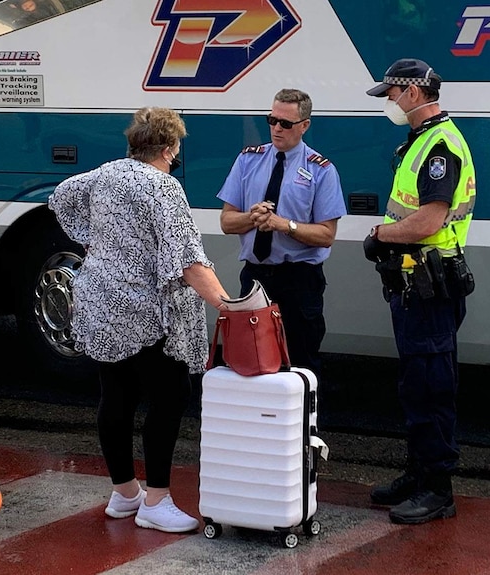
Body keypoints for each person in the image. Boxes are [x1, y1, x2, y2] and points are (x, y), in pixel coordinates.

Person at [48, 107, 230, 534]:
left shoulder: (106, 173)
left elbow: (61, 195)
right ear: (169, 148)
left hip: (100, 302)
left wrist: (97, 238)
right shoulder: (163, 187)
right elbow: (188, 262)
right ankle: (157, 500)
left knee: (116, 394)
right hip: (143, 311)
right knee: (170, 395)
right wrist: (229, 304)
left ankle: (124, 493)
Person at [363, 58, 477, 525]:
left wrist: (380, 235)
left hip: (431, 283)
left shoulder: (438, 146)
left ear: (412, 93)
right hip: (416, 283)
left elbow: (430, 219)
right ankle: (419, 472)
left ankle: (437, 489)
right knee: (416, 383)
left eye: (390, 94)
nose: (388, 102)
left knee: (431, 385)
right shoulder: (421, 141)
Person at [217, 88, 346, 378]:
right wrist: (253, 217)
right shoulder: (249, 161)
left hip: (299, 280)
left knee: (299, 363)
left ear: (304, 125)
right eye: (272, 120)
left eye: (285, 123)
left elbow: (327, 234)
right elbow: (226, 221)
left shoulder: (321, 170)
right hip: (255, 277)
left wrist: (283, 225)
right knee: (250, 361)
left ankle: (300, 422)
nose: (277, 128)